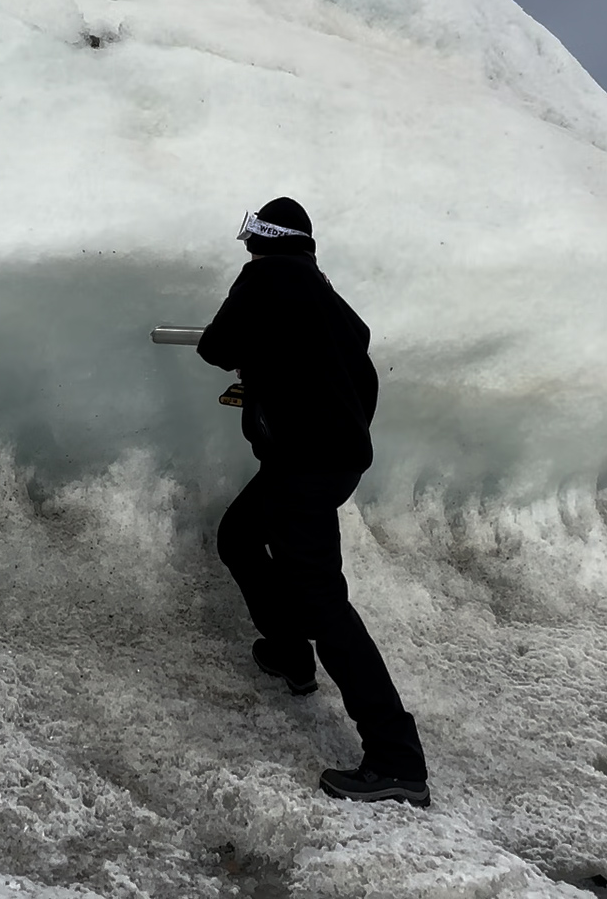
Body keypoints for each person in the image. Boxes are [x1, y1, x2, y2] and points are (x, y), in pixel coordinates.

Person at [197, 197, 430, 807]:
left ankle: (396, 758)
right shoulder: (328, 298)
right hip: (331, 460)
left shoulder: (268, 274)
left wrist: (256, 361)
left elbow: (217, 345)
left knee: (323, 602)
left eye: (251, 234)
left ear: (262, 240)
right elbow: (361, 355)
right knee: (240, 537)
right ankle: (289, 653)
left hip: (303, 464)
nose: (247, 244)